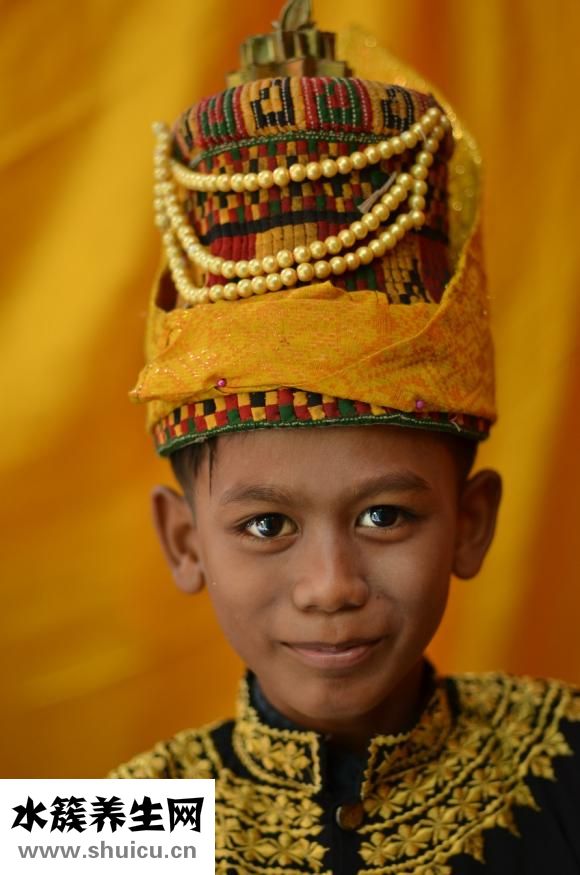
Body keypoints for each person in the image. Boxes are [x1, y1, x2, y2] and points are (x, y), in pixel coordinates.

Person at [109, 3, 580, 872]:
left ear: (471, 522)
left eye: (384, 516)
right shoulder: (109, 828)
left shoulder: (568, 767)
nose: (331, 587)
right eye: (265, 525)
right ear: (184, 541)